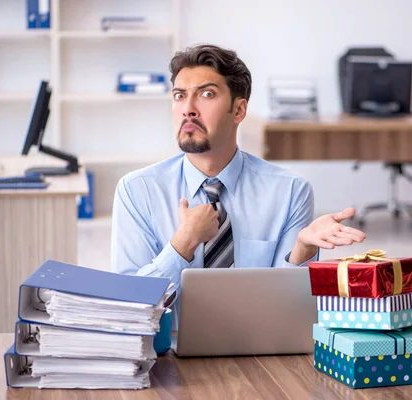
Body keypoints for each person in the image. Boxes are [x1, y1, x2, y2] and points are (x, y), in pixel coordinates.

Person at [111, 44, 366, 328]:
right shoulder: (136, 191)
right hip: (166, 354)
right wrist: (184, 243)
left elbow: (286, 311)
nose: (188, 109)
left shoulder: (290, 192)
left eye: (206, 94)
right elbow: (129, 306)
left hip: (257, 353)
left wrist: (303, 250)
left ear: (239, 110)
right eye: (180, 96)